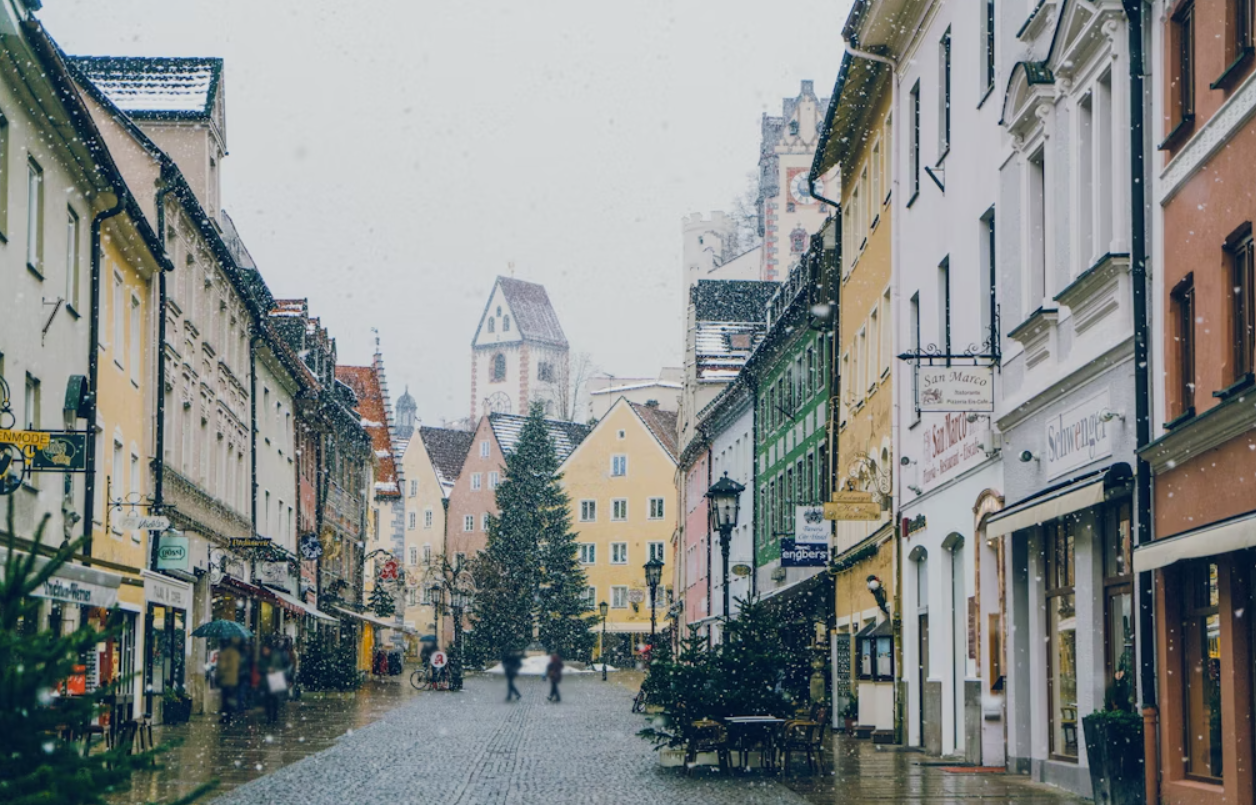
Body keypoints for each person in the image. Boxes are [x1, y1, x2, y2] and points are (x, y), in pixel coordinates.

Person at [261, 643, 288, 723]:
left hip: (274, 680)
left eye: (266, 649)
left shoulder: (276, 657)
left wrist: (274, 670)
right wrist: (266, 670)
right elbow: (260, 668)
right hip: (266, 682)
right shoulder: (263, 659)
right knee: (267, 700)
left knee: (274, 699)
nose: (265, 651)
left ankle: (274, 716)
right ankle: (269, 717)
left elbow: (281, 668)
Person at [216, 637, 241, 721]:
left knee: (225, 699)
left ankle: (225, 716)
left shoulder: (224, 653)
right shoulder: (236, 653)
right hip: (234, 680)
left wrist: (218, 676)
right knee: (230, 698)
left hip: (226, 679)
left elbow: (222, 667)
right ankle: (230, 715)